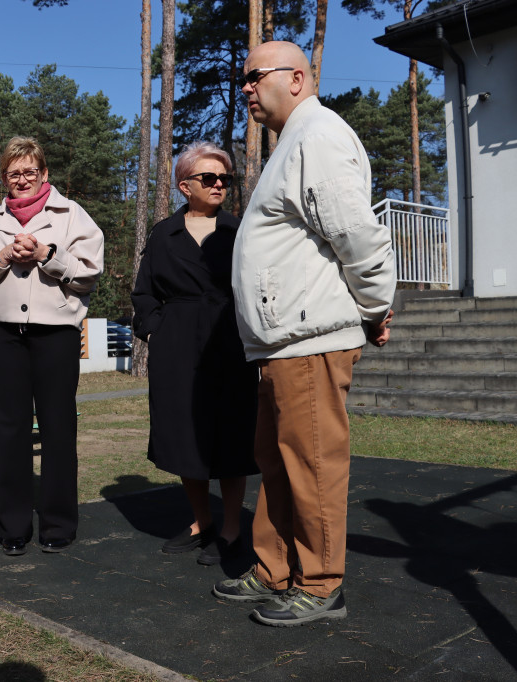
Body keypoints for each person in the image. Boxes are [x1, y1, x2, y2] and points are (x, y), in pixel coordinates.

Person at [212, 41, 396, 626]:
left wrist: (375, 307)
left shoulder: (317, 136)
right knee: (278, 461)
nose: (245, 87)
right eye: (242, 79)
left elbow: (356, 234)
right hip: (282, 340)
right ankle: (275, 569)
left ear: (296, 78)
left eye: (254, 76)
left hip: (309, 338)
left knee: (312, 462)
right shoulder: (294, 140)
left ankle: (320, 585)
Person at [0, 136, 104, 556]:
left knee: (58, 428)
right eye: (13, 173)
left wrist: (46, 253)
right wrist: (1, 257)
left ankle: (58, 524)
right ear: (4, 177)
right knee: (9, 430)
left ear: (44, 174)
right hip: (5, 334)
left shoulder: (73, 216)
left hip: (56, 333)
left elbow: (89, 274)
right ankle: (13, 526)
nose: (22, 180)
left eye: (30, 172)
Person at [131, 141, 258, 567]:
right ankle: (201, 520)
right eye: (209, 177)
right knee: (184, 433)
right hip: (177, 346)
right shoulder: (163, 233)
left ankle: (231, 528)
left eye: (225, 178)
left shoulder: (242, 230)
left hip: (231, 341)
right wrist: (157, 330)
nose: (219, 184)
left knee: (233, 434)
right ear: (185, 186)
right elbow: (144, 293)